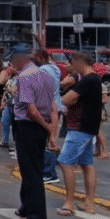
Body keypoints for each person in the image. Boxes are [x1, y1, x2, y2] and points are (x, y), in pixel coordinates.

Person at [9, 43, 57, 219]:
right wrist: (50, 131)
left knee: (31, 172)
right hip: (39, 127)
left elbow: (31, 110)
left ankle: (36, 215)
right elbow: (53, 106)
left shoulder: (25, 77)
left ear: (22, 59)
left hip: (28, 126)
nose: (13, 63)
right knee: (30, 168)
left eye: (14, 59)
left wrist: (46, 127)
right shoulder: (45, 74)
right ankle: (27, 207)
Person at [56, 52, 103, 216]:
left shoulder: (88, 80)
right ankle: (89, 202)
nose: (70, 66)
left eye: (72, 63)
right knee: (86, 163)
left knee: (65, 162)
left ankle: (69, 203)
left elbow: (67, 99)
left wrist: (66, 98)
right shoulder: (94, 79)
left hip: (79, 127)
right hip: (88, 128)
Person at [32, 48, 63, 185]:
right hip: (55, 107)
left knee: (47, 141)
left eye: (33, 58)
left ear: (39, 58)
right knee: (49, 139)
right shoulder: (54, 68)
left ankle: (50, 173)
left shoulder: (43, 71)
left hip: (49, 109)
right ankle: (49, 168)